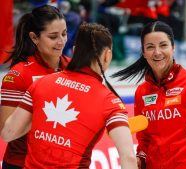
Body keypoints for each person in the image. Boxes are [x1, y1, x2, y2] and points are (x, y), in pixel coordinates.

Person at [0, 22, 138, 169]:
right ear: (107, 55)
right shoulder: (110, 102)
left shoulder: (41, 83)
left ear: (74, 51)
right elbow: (128, 157)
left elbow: (8, 133)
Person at [112, 21, 186, 169]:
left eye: (163, 45)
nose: (157, 52)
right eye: (150, 47)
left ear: (173, 47)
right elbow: (144, 140)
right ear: (144, 52)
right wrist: (140, 160)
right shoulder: (142, 92)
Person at [0, 5, 70, 169]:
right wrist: (48, 111)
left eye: (64, 34)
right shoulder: (18, 75)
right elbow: (6, 133)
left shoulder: (72, 67)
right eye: (53, 36)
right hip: (22, 163)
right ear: (34, 37)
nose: (61, 41)